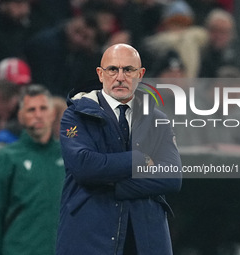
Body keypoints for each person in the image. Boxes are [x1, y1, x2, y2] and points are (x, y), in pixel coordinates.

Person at [57, 43, 182, 254]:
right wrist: (139, 159)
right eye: (113, 69)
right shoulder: (75, 115)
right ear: (100, 74)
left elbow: (172, 177)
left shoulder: (158, 120)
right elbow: (84, 167)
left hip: (145, 238)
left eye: (128, 70)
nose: (120, 77)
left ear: (140, 74)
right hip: (89, 236)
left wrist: (112, 185)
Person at [0, 85, 65, 254]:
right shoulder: (5, 159)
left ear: (52, 114)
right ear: (21, 117)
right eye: (31, 110)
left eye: (43, 108)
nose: (38, 115)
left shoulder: (70, 158)